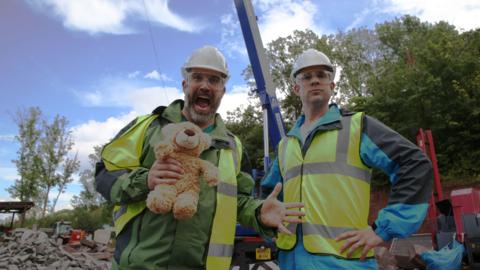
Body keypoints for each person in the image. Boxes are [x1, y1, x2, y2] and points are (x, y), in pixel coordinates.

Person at [95, 45, 304, 270]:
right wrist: (144, 181)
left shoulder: (234, 146)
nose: (205, 85)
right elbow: (103, 175)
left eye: (214, 80)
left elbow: (239, 201)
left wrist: (258, 212)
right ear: (185, 84)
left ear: (223, 90)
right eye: (198, 78)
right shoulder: (148, 128)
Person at [261, 49, 433, 269]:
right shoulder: (286, 144)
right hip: (291, 261)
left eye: (322, 75)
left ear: (332, 87)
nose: (315, 80)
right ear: (296, 88)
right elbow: (269, 195)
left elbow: (414, 163)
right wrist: (269, 225)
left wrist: (382, 230)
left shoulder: (357, 126)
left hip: (344, 262)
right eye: (306, 76)